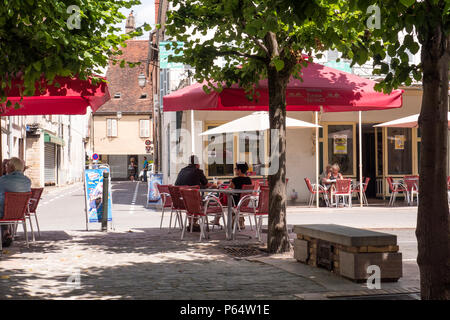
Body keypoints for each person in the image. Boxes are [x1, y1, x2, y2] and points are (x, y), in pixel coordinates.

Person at [0, 157, 32, 247]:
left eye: (7, 165)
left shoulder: (3, 180)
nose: (6, 167)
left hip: (4, 212)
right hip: (19, 213)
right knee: (5, 207)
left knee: (3, 207)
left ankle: (5, 233)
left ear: (12, 167)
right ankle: (6, 233)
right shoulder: (27, 181)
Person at [228, 162, 252, 229]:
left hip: (235, 202)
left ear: (239, 170)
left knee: (225, 200)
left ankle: (234, 221)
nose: (234, 170)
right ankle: (240, 221)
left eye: (236, 168)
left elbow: (228, 189)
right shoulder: (249, 180)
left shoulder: (235, 180)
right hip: (245, 201)